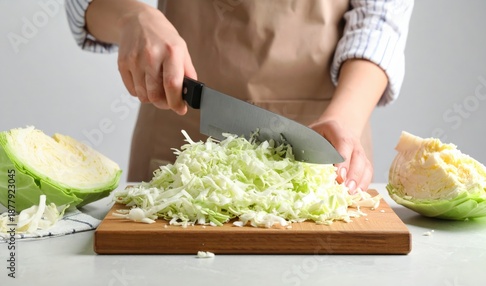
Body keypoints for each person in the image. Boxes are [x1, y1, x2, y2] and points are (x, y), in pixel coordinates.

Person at [65, 0, 413, 193]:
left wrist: (345, 120)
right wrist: (132, 18)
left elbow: (380, 21)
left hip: (325, 139)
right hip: (179, 132)